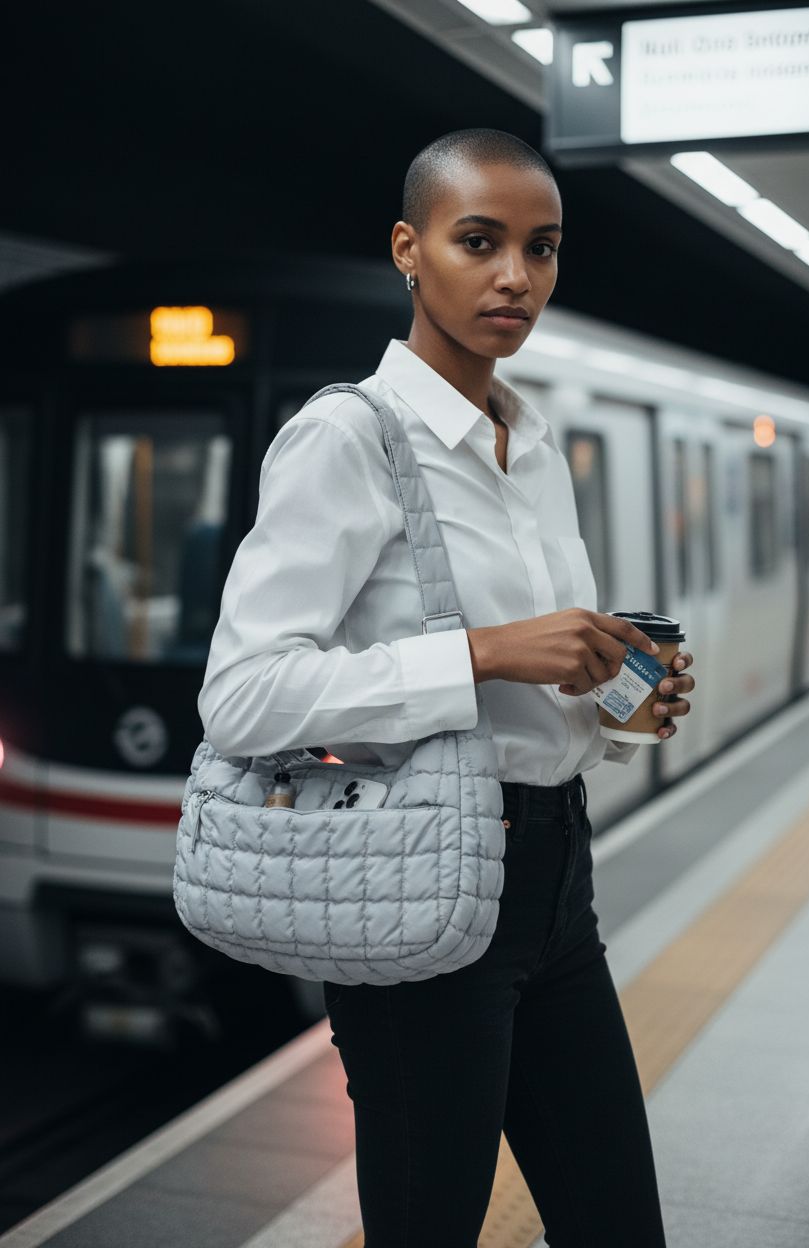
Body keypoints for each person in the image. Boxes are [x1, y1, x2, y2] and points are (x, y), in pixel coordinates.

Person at [198, 127, 695, 1246]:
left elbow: (540, 678)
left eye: (543, 248)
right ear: (408, 251)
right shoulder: (347, 438)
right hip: (419, 897)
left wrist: (618, 704)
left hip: (556, 890)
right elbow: (239, 696)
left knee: (619, 1226)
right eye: (480, 241)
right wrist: (483, 650)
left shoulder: (532, 442)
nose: (516, 277)